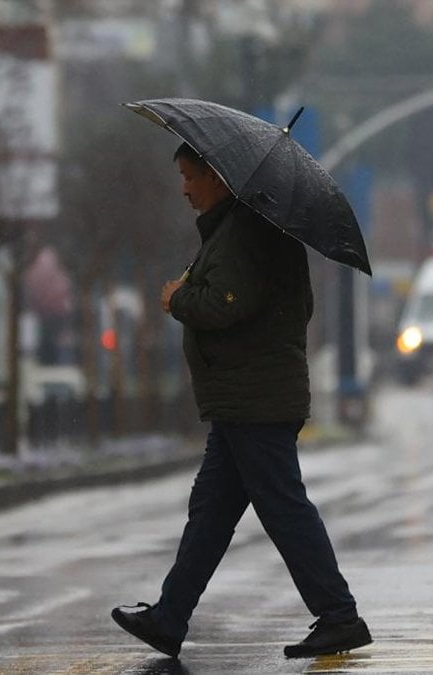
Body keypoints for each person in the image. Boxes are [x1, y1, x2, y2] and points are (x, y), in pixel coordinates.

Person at [111, 142, 371, 659]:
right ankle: (169, 617)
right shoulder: (245, 229)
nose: (184, 188)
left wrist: (177, 299)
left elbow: (226, 304)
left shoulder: (246, 231)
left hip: (256, 400)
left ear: (218, 176)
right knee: (210, 511)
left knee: (283, 508)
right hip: (245, 400)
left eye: (190, 176)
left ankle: (339, 615)